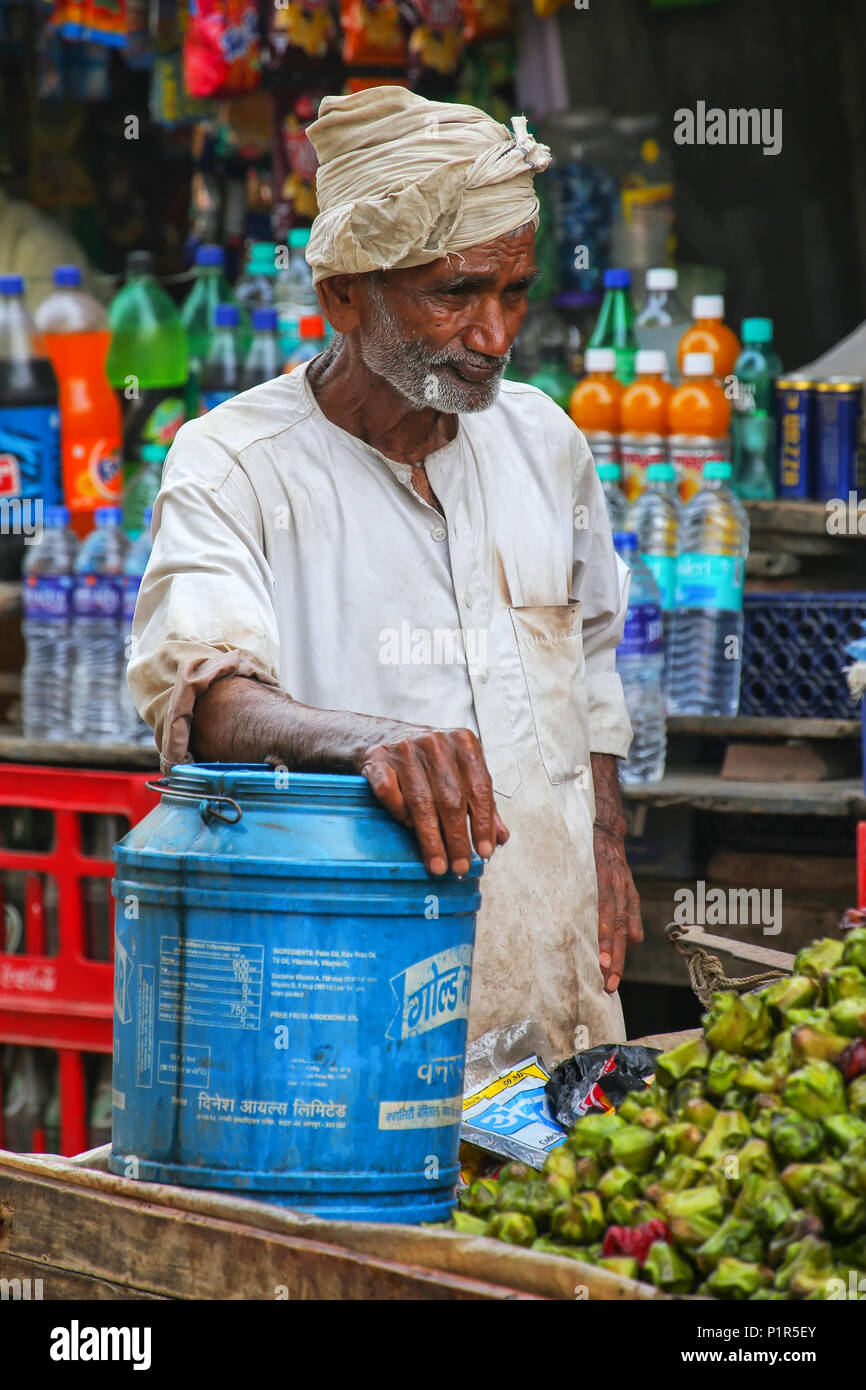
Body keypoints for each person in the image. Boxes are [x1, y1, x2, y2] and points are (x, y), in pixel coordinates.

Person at [128, 86, 643, 1059]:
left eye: (513, 292)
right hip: (355, 1016)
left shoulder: (545, 442)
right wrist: (368, 741)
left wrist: (605, 837)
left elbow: (589, 655)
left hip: (558, 1002)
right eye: (454, 293)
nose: (493, 337)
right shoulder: (232, 460)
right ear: (341, 294)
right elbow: (202, 690)